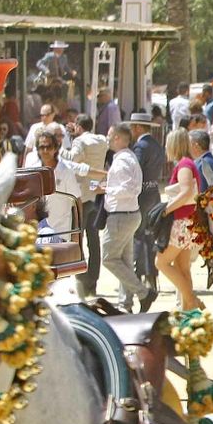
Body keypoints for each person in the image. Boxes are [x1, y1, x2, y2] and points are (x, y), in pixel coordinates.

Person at [100, 124, 151, 311]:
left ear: (119, 138)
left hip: (121, 216)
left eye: (110, 134)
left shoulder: (123, 160)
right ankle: (126, 303)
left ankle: (143, 292)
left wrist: (107, 189)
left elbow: (131, 189)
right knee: (125, 261)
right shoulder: (127, 158)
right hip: (127, 214)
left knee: (109, 258)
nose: (108, 137)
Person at [154, 129, 203, 313]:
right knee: (182, 268)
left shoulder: (184, 165)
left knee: (161, 262)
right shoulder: (188, 163)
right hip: (189, 221)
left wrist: (165, 210)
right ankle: (188, 314)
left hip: (182, 221)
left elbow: (186, 192)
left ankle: (192, 300)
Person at [63, 113, 110, 300]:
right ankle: (93, 281)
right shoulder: (101, 140)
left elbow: (72, 160)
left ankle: (81, 280)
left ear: (78, 126)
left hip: (81, 191)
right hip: (95, 189)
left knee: (78, 239)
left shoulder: (80, 142)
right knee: (94, 240)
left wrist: (66, 144)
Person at [129, 111, 167, 301]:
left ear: (137, 128)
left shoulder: (140, 147)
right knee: (150, 234)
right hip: (154, 192)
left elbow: (135, 171)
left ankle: (140, 272)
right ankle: (151, 272)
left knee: (139, 234)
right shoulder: (157, 145)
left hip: (142, 194)